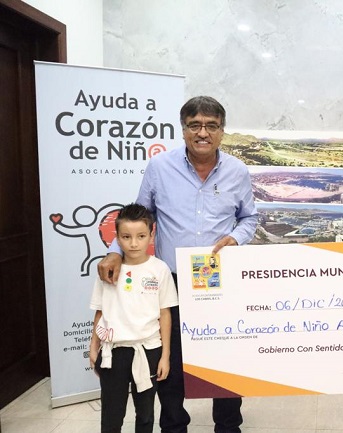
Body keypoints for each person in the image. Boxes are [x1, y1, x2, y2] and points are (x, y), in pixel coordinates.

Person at [97, 96, 258, 433]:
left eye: (211, 126)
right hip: (170, 280)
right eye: (194, 125)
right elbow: (139, 217)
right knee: (170, 358)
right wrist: (115, 250)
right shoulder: (159, 167)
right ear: (183, 129)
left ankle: (228, 426)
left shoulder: (237, 171)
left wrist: (236, 238)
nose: (203, 133)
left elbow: (249, 218)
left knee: (225, 356)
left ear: (222, 131)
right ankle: (173, 426)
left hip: (218, 280)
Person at [89, 203, 178, 433]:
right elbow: (100, 310)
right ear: (117, 238)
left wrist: (165, 356)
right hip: (114, 352)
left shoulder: (160, 269)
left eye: (141, 236)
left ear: (151, 235)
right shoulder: (108, 269)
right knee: (112, 415)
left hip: (149, 350)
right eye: (126, 237)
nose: (134, 243)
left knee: (146, 414)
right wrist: (93, 346)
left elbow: (165, 314)